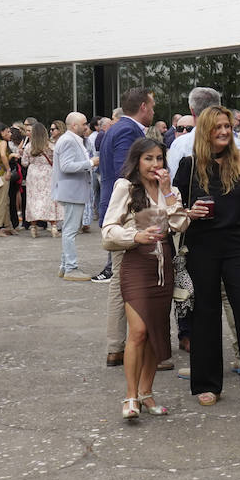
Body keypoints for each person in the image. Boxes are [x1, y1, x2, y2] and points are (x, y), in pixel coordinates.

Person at [174, 105, 240, 405]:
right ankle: (207, 384)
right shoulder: (189, 165)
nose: (223, 131)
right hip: (202, 245)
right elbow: (173, 209)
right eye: (216, 127)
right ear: (206, 131)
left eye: (226, 126)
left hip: (239, 245)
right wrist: (188, 212)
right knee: (205, 314)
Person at [102, 138, 190, 419]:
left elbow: (180, 224)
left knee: (154, 332)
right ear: (137, 161)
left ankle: (147, 393)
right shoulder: (125, 187)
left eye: (159, 159)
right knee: (138, 332)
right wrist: (134, 236)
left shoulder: (169, 190)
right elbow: (107, 231)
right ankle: (130, 397)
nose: (155, 164)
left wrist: (168, 193)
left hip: (164, 264)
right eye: (148, 159)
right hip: (137, 264)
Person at [97, 87, 156, 364]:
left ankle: (118, 345)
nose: (154, 112)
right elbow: (127, 173)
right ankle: (118, 346)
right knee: (123, 282)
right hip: (126, 217)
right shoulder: (126, 131)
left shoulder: (117, 128)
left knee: (122, 282)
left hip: (121, 214)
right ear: (143, 107)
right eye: (152, 107)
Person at [53, 112, 94, 281]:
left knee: (69, 230)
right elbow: (66, 166)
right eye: (84, 124)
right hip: (72, 192)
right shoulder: (69, 140)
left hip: (72, 191)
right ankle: (71, 268)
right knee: (70, 231)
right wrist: (91, 163)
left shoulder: (70, 139)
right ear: (74, 126)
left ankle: (65, 266)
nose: (87, 127)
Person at [19, 121, 60, 237]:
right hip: (48, 173)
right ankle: (53, 227)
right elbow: (56, 160)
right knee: (50, 199)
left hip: (33, 174)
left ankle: (33, 227)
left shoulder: (28, 147)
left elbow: (24, 163)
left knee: (33, 200)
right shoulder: (50, 146)